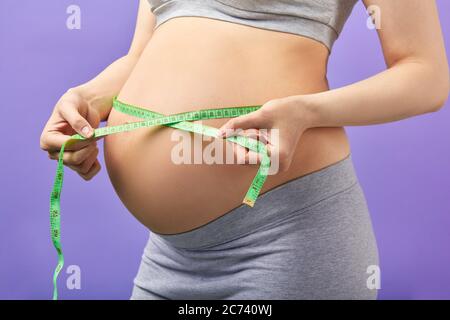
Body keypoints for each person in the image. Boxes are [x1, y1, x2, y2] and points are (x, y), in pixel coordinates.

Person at [40, 0, 449, 299]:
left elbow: (426, 75)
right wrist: (88, 99)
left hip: (284, 236)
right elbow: (141, 55)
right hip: (170, 255)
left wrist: (306, 110)